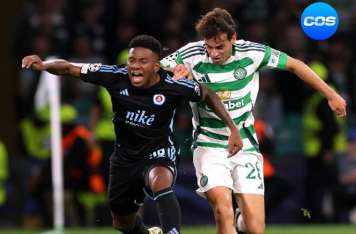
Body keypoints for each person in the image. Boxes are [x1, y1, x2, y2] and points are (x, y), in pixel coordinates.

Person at [22, 34, 243, 234]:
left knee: (160, 182)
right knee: (122, 221)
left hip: (158, 149)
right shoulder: (114, 77)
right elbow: (70, 68)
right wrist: (43, 65)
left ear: (156, 66)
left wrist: (232, 129)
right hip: (124, 158)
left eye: (142, 61)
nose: (135, 66)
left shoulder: (174, 86)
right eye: (132, 60)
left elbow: (209, 95)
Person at [160, 8, 347, 234]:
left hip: (245, 146)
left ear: (233, 38)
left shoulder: (253, 53)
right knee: (222, 209)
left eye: (220, 47)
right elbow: (155, 70)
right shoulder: (190, 54)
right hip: (209, 145)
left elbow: (295, 65)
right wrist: (172, 75)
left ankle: (243, 221)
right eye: (209, 47)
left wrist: (332, 95)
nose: (214, 53)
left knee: (255, 228)